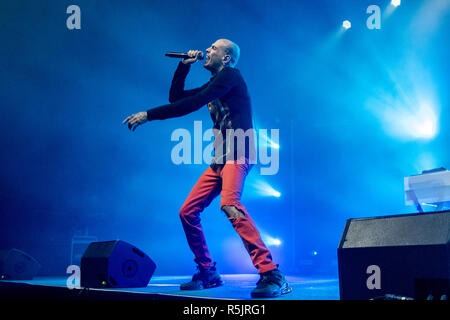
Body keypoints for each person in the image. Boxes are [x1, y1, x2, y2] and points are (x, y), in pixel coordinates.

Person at [123, 39, 291, 298]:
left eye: (214, 48)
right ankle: (208, 272)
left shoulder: (231, 76)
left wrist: (149, 115)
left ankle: (272, 273)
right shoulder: (214, 83)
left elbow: (192, 103)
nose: (207, 50)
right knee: (187, 211)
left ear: (226, 58)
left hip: (239, 153)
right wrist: (183, 67)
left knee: (230, 205)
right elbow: (177, 98)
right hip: (220, 159)